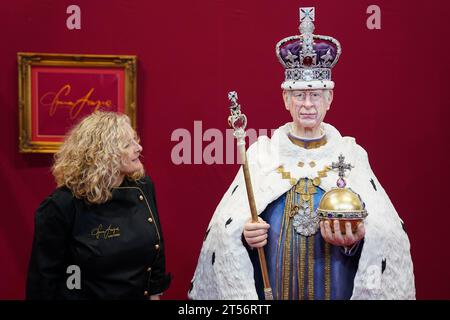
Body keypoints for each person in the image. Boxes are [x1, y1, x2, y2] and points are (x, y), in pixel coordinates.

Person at [189, 7, 415, 300]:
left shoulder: (351, 155)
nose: (307, 104)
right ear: (286, 99)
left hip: (336, 282)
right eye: (299, 95)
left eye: (316, 94)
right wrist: (245, 237)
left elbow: (383, 234)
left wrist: (355, 240)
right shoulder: (262, 155)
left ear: (329, 98)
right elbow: (225, 230)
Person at [26, 111, 171, 299]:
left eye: (136, 140)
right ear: (104, 155)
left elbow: (157, 251)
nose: (139, 148)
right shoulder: (62, 205)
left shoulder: (143, 187)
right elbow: (43, 282)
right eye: (128, 144)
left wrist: (154, 295)